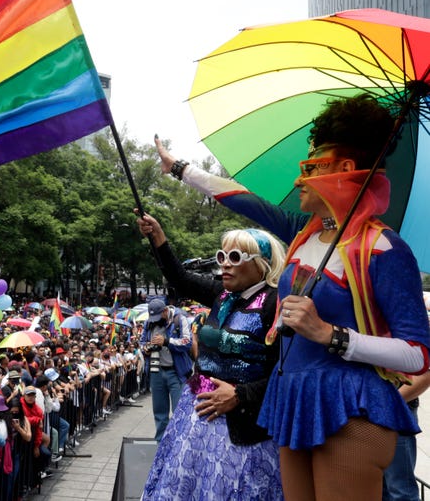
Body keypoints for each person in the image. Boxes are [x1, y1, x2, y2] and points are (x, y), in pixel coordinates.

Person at [154, 94, 430, 500]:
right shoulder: (303, 231)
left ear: (345, 170)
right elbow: (240, 197)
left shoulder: (384, 248)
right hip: (293, 401)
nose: (298, 180)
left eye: (311, 167)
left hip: (348, 405)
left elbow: (419, 353)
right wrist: (179, 169)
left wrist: (332, 335)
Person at [137, 215, 286, 500]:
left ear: (261, 263)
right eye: (222, 255)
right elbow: (180, 277)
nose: (224, 263)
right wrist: (158, 239)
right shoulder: (222, 295)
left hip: (243, 433)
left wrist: (241, 394)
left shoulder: (276, 305)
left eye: (234, 256)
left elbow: (287, 372)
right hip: (194, 421)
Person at [139, 298, 192, 440]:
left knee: (178, 412)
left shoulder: (180, 319)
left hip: (176, 372)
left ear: (165, 311)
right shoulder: (149, 323)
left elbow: (187, 342)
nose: (155, 320)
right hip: (156, 372)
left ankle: (178, 444)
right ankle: (160, 444)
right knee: (160, 413)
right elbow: (142, 341)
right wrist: (146, 348)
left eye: (158, 316)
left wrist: (167, 341)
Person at [383, 371, 430, 501]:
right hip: (360, 413)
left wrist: (386, 404)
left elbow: (424, 374)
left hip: (396, 414)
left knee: (401, 491)